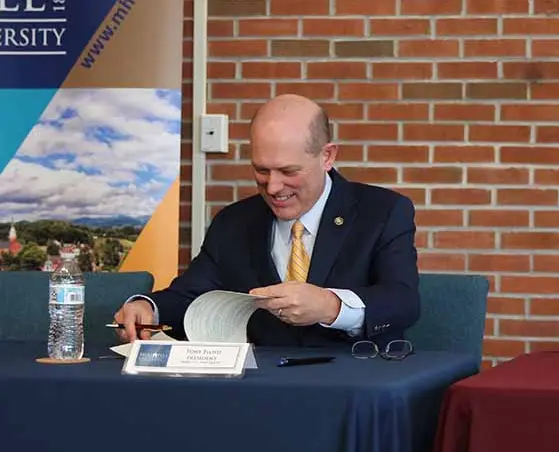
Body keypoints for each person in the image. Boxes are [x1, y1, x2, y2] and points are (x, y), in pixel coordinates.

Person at [113, 94, 420, 346]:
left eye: (288, 172)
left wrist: (330, 306)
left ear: (327, 156)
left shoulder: (383, 212)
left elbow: (403, 301)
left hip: (354, 382)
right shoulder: (233, 222)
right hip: (256, 389)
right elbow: (192, 295)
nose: (273, 187)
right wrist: (147, 308)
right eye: (261, 170)